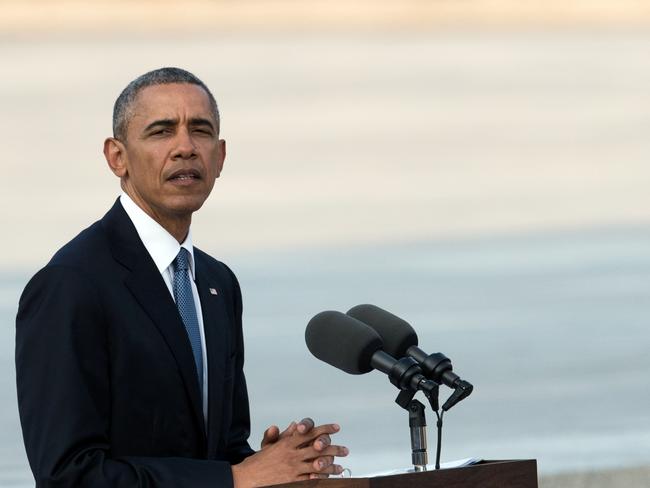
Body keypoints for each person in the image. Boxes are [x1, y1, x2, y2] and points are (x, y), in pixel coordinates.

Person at [15, 67, 348, 487]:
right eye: (161, 132)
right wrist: (234, 478)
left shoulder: (217, 283)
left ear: (221, 156)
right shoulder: (71, 284)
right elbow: (68, 476)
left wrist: (272, 464)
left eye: (201, 131)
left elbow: (219, 453)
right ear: (117, 157)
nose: (185, 148)